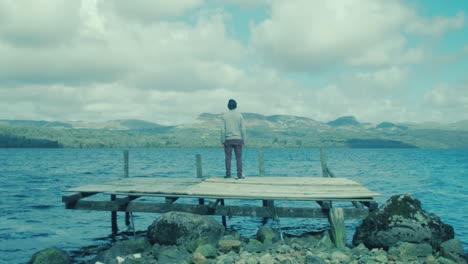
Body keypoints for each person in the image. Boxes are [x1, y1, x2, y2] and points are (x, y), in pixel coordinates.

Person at [220, 99, 246, 179]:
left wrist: (222, 141)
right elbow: (243, 129)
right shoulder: (240, 115)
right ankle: (239, 175)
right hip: (238, 139)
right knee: (239, 158)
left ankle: (228, 175)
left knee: (228, 158)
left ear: (228, 106)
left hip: (228, 140)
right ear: (236, 106)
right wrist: (244, 140)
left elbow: (222, 130)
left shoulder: (224, 116)